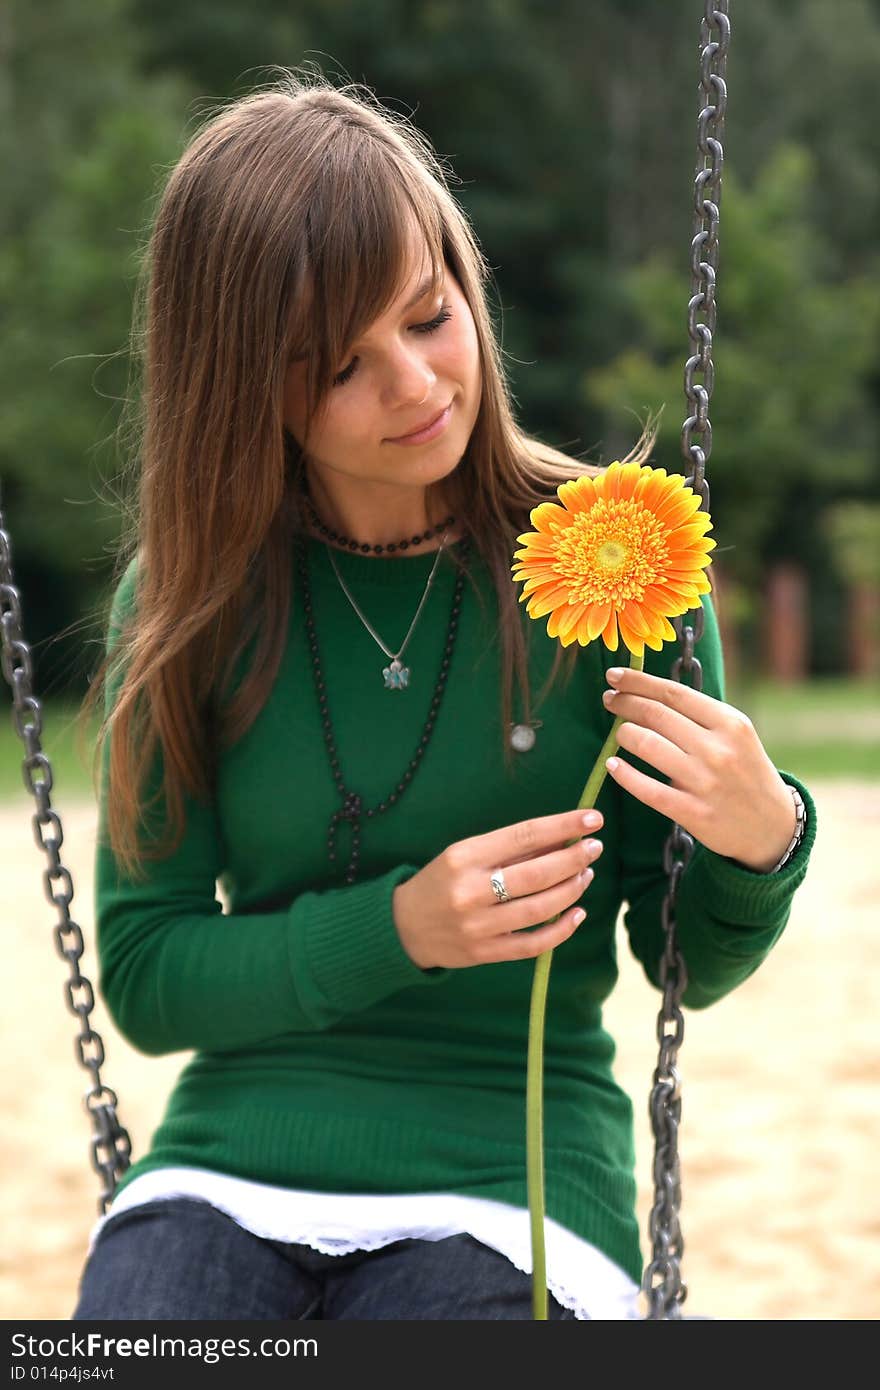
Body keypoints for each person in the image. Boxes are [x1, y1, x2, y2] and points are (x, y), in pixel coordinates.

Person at [72, 68, 815, 1322]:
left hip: (511, 1166)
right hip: (228, 1165)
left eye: (428, 318)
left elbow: (675, 958)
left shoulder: (618, 555)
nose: (415, 387)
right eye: (339, 364)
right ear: (244, 384)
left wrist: (760, 843)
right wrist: (399, 927)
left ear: (467, 281)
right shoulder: (192, 595)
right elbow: (146, 976)